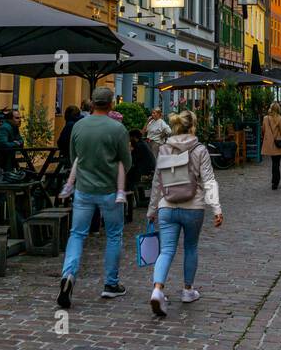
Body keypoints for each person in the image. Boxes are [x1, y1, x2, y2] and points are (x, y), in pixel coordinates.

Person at [57, 87, 132, 309]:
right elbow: (126, 162)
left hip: (83, 190)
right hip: (109, 191)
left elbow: (74, 158)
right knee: (114, 235)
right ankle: (110, 283)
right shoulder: (117, 128)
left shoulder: (79, 126)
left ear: (92, 103)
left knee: (77, 234)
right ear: (111, 104)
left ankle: (68, 274)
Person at [147, 109, 223, 317]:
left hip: (167, 206)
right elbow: (208, 180)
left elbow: (157, 181)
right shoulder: (199, 149)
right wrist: (216, 208)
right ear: (192, 126)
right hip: (193, 207)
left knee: (166, 250)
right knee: (190, 247)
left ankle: (157, 289)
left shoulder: (163, 149)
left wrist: (152, 209)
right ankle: (188, 290)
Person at [262, 102, 281, 190]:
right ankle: (275, 182)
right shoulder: (280, 119)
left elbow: (263, 130)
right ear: (278, 109)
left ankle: (274, 181)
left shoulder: (265, 118)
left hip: (270, 143)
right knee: (276, 163)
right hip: (278, 143)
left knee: (274, 162)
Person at [126, 128, 157, 192]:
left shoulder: (139, 146)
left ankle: (130, 194)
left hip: (146, 170)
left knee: (128, 173)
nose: (129, 139)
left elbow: (133, 161)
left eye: (130, 137)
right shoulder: (143, 143)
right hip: (150, 168)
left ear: (134, 137)